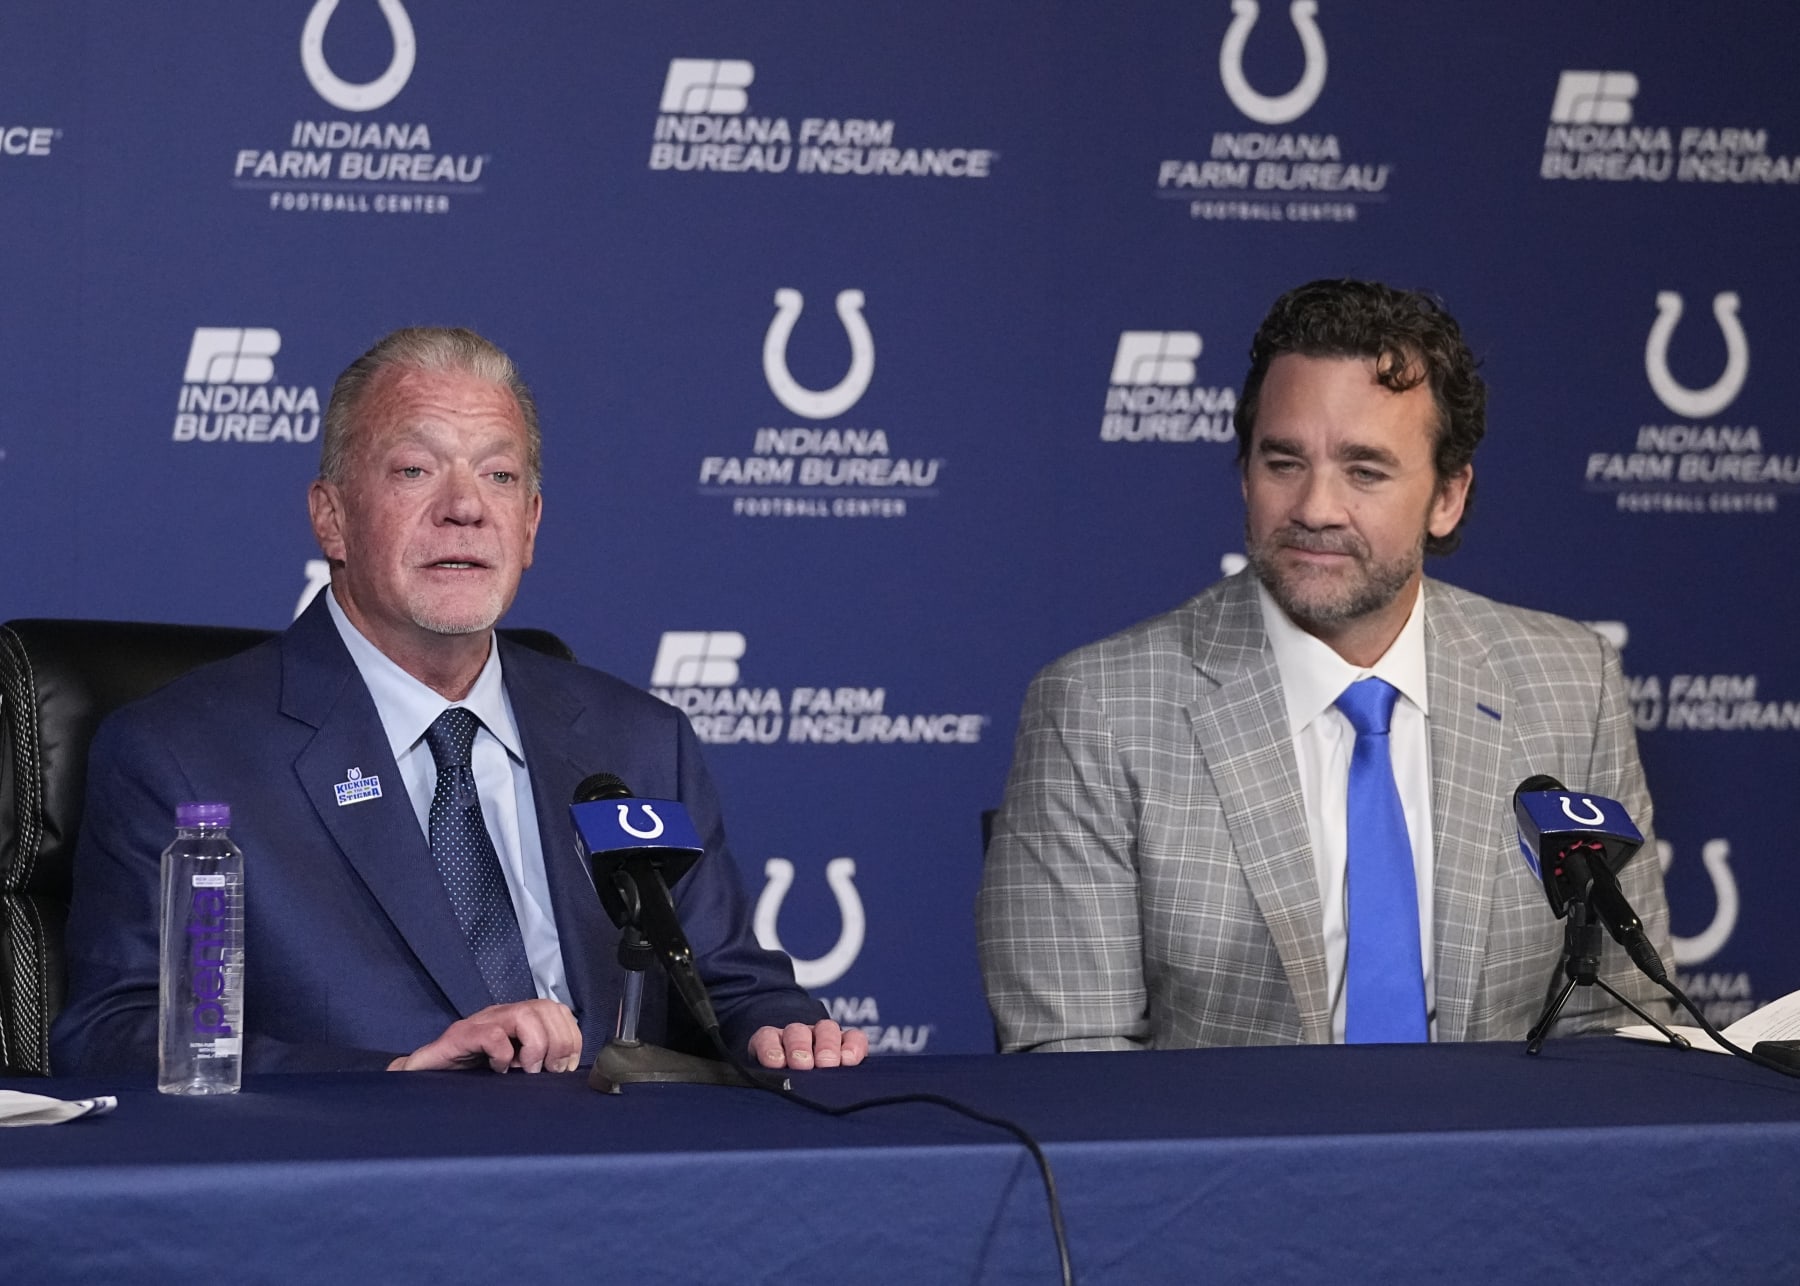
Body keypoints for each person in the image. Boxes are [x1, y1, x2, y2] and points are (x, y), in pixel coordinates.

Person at [53, 327, 866, 1075]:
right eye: (415, 470)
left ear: (531, 525)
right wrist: (396, 1077)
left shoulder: (641, 741)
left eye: (499, 475)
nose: (466, 506)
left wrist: (780, 1030)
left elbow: (724, 981)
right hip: (356, 1197)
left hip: (623, 1197)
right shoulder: (186, 755)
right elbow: (119, 1034)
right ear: (331, 519)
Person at [977, 279, 1673, 1051]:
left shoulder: (1572, 684)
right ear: (1244, 473)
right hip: (1222, 1172)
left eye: (1365, 470)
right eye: (1283, 462)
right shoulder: (1097, 709)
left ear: (1447, 496)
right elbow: (1073, 1057)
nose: (1315, 507)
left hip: (1508, 1169)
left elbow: (1619, 1023)